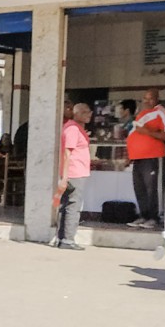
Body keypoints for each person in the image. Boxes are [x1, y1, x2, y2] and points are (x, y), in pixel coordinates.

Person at [126, 88, 165, 229]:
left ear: (157, 99)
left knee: (153, 189)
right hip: (138, 158)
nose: (146, 101)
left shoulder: (162, 112)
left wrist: (147, 132)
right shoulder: (144, 113)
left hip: (153, 157)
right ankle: (144, 216)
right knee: (140, 188)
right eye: (145, 98)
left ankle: (154, 217)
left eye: (150, 98)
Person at [56, 103, 93, 251]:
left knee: (67, 205)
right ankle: (68, 239)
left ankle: (63, 238)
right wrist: (65, 177)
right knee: (73, 206)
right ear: (76, 114)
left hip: (75, 172)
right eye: (84, 112)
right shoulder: (72, 129)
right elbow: (67, 153)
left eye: (89, 111)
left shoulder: (75, 128)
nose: (88, 114)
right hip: (74, 173)